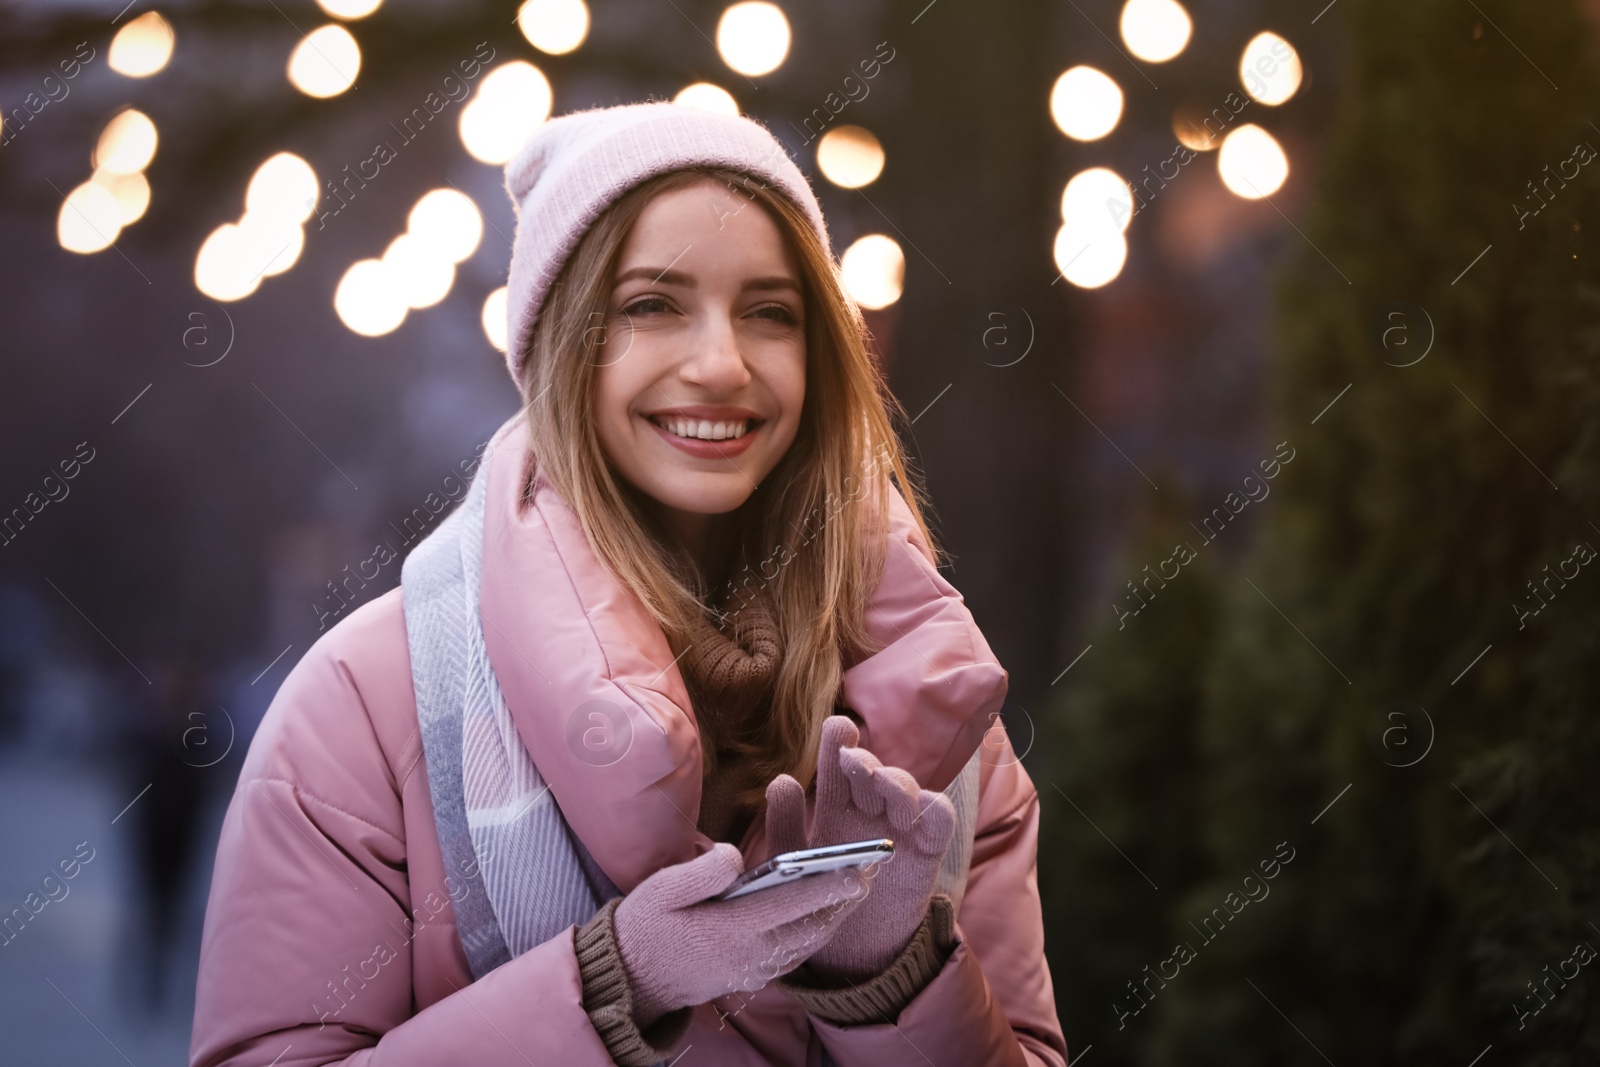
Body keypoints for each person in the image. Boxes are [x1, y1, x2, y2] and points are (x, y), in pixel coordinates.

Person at [189, 101, 1066, 1067]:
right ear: (564, 346)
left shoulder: (940, 712)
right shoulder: (371, 701)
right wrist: (610, 981)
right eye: (652, 304)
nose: (722, 362)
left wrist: (890, 980)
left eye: (771, 313)